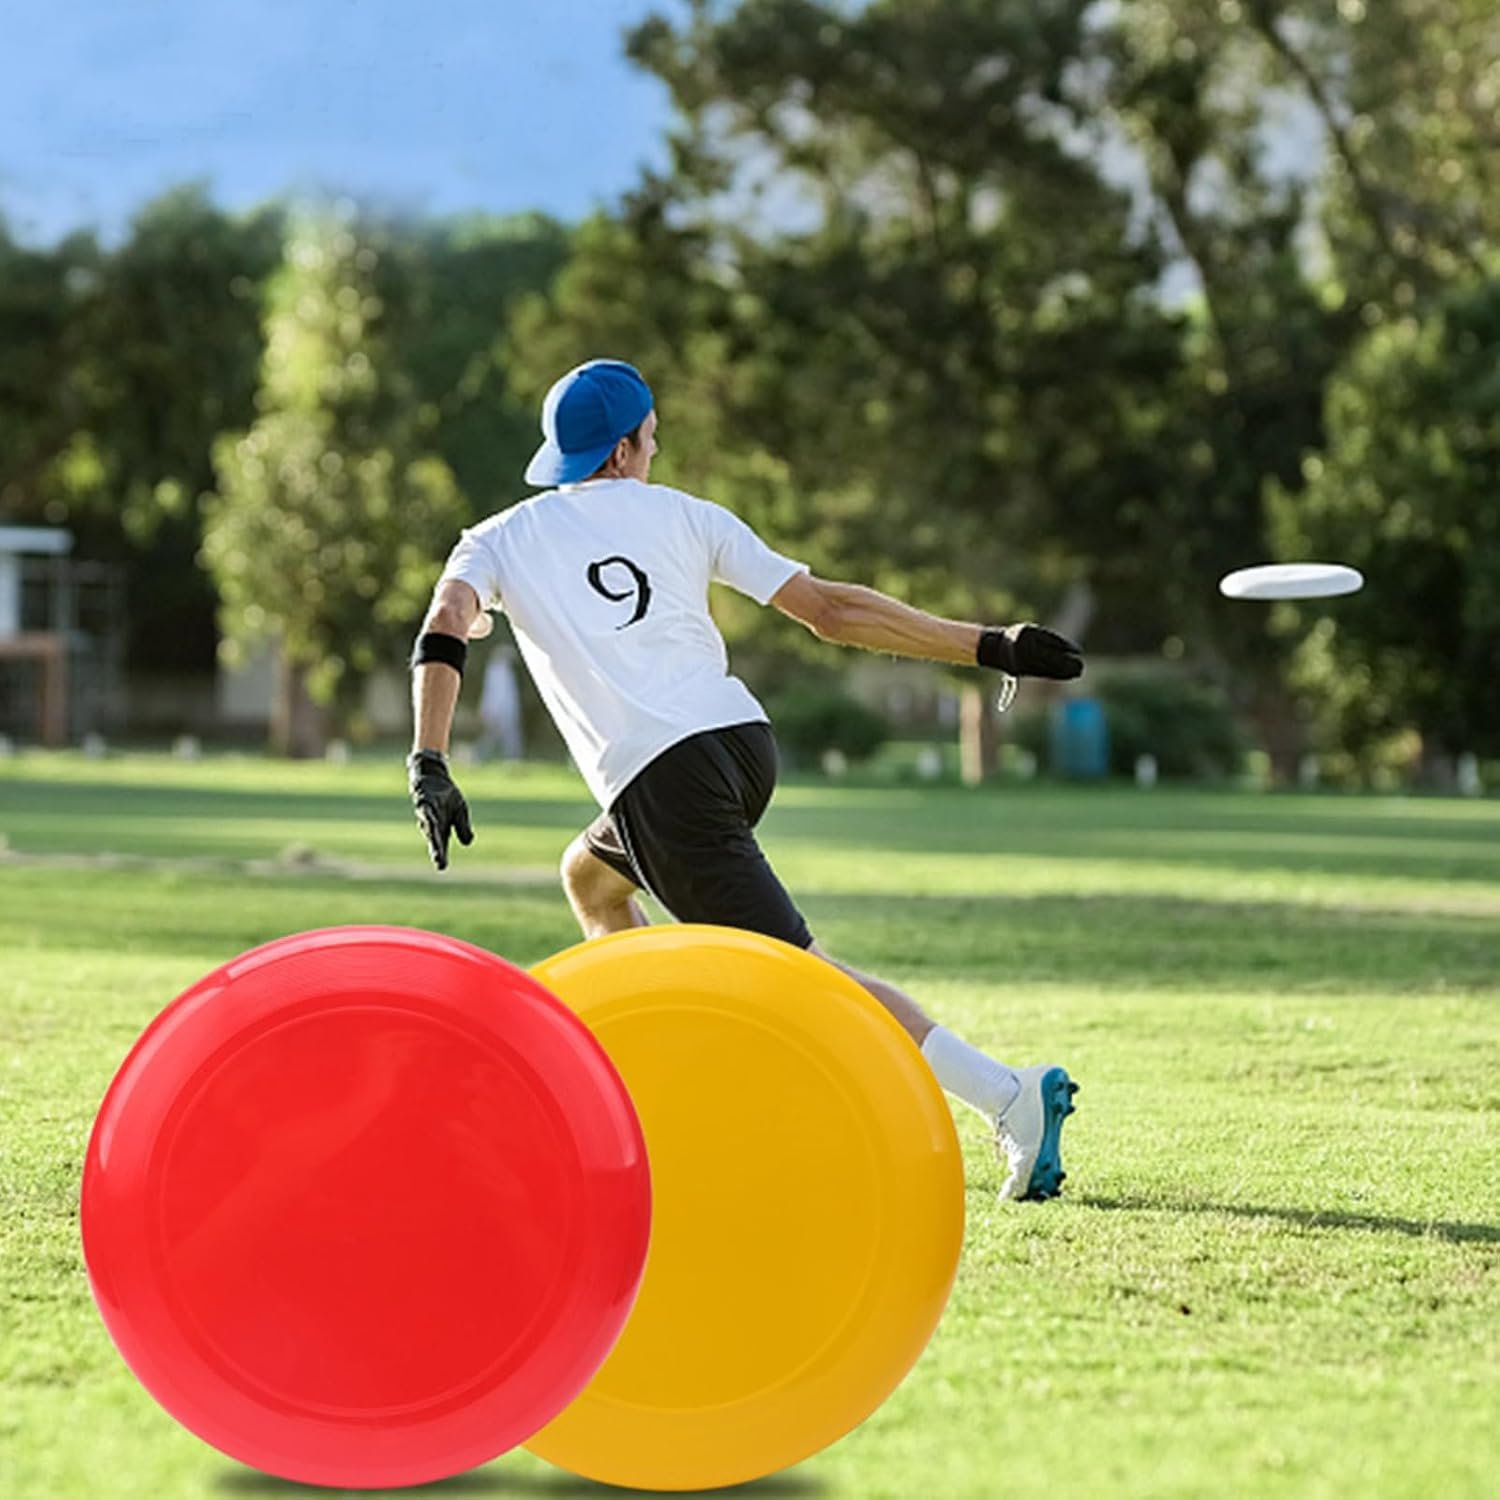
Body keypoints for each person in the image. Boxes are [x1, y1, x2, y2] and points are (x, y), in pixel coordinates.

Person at [408, 359, 1083, 1201]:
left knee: (803, 978)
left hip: (662, 780)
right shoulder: (690, 515)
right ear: (621, 451)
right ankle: (661, 1074)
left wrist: (429, 759)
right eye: (651, 439)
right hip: (740, 746)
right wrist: (990, 643)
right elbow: (832, 611)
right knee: (589, 879)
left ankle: (1008, 1094)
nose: (655, 452)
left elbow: (447, 622)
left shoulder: (497, 538)